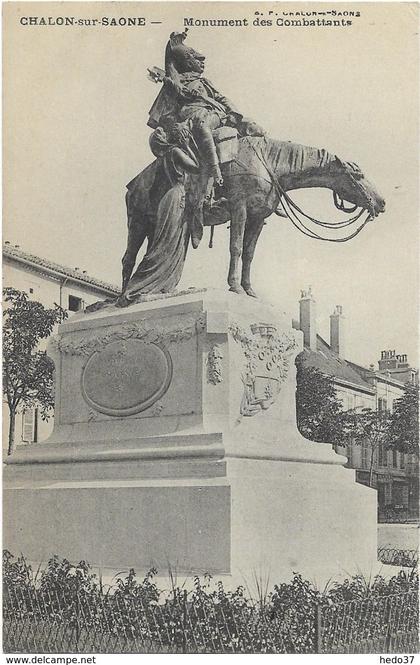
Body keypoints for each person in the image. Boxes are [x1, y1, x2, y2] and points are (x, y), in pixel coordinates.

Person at [118, 119, 200, 305]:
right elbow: (197, 168)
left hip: (171, 197)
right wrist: (189, 146)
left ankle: (146, 284)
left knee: (163, 242)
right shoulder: (176, 152)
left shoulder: (165, 156)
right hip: (175, 197)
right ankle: (150, 283)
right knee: (167, 243)